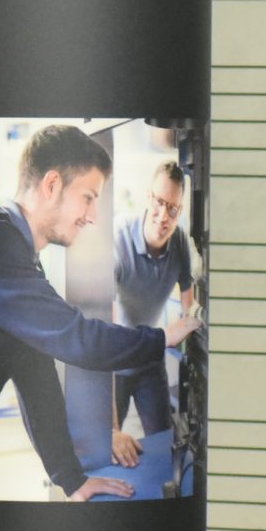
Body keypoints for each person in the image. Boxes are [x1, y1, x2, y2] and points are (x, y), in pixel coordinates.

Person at [0, 128, 198, 501]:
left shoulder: (15, 253)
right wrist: (163, 338)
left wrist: (71, 478)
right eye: (88, 198)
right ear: (52, 185)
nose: (92, 216)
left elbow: (35, 370)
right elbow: (78, 338)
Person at [111, 161, 197, 466]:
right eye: (160, 202)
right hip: (114, 362)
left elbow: (190, 305)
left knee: (165, 444)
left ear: (181, 210)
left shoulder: (180, 244)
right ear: (149, 197)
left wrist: (192, 331)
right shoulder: (118, 240)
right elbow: (105, 332)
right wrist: (111, 428)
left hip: (150, 360)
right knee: (107, 447)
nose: (164, 215)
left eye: (173, 208)